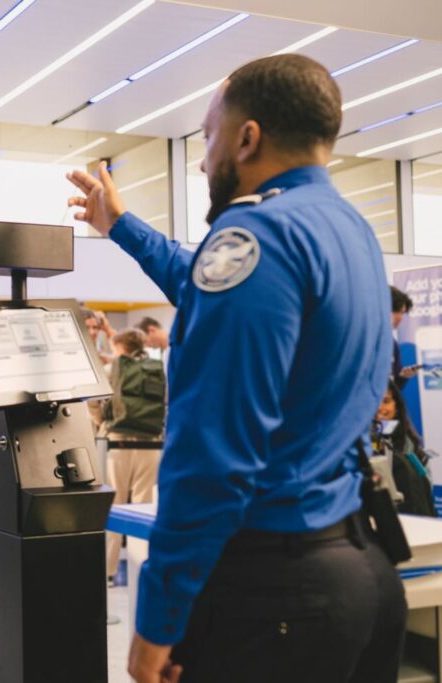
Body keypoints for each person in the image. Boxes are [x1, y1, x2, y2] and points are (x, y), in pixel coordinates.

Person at [67, 54, 406, 682]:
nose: (201, 159)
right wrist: (120, 225)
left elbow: (213, 454)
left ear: (247, 137)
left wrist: (158, 621)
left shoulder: (254, 235)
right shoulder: (347, 230)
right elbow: (200, 281)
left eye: (208, 136)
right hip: (359, 571)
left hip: (275, 598)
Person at [102, 329, 163, 583]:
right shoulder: (156, 369)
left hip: (119, 444)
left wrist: (104, 423)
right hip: (152, 445)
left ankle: (107, 571)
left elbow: (96, 403)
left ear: (121, 348)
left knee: (114, 509)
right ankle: (141, 569)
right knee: (141, 510)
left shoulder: (112, 370)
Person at [373, 381, 437, 517]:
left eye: (386, 401)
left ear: (396, 406)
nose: (379, 408)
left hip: (412, 516)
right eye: (374, 401)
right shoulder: (358, 442)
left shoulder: (410, 442)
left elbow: (426, 484)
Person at [391, 285, 417, 389]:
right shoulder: (363, 340)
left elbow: (395, 387)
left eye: (403, 313)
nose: (400, 318)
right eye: (398, 311)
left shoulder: (393, 344)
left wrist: (403, 376)